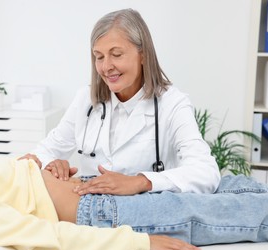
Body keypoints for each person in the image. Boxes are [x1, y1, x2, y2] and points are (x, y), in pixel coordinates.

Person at [0, 101, 268, 250]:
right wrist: (138, 242)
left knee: (230, 184)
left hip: (91, 185)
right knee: (246, 211)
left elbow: (19, 180)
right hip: (99, 213)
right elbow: (38, 236)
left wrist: (53, 168)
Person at [22, 8, 220, 196]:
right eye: (99, 57)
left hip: (144, 216)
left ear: (143, 55)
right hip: (90, 213)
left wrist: (140, 182)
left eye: (116, 54)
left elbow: (206, 172)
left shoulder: (172, 103)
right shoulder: (86, 99)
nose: (106, 67)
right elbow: (42, 152)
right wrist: (51, 164)